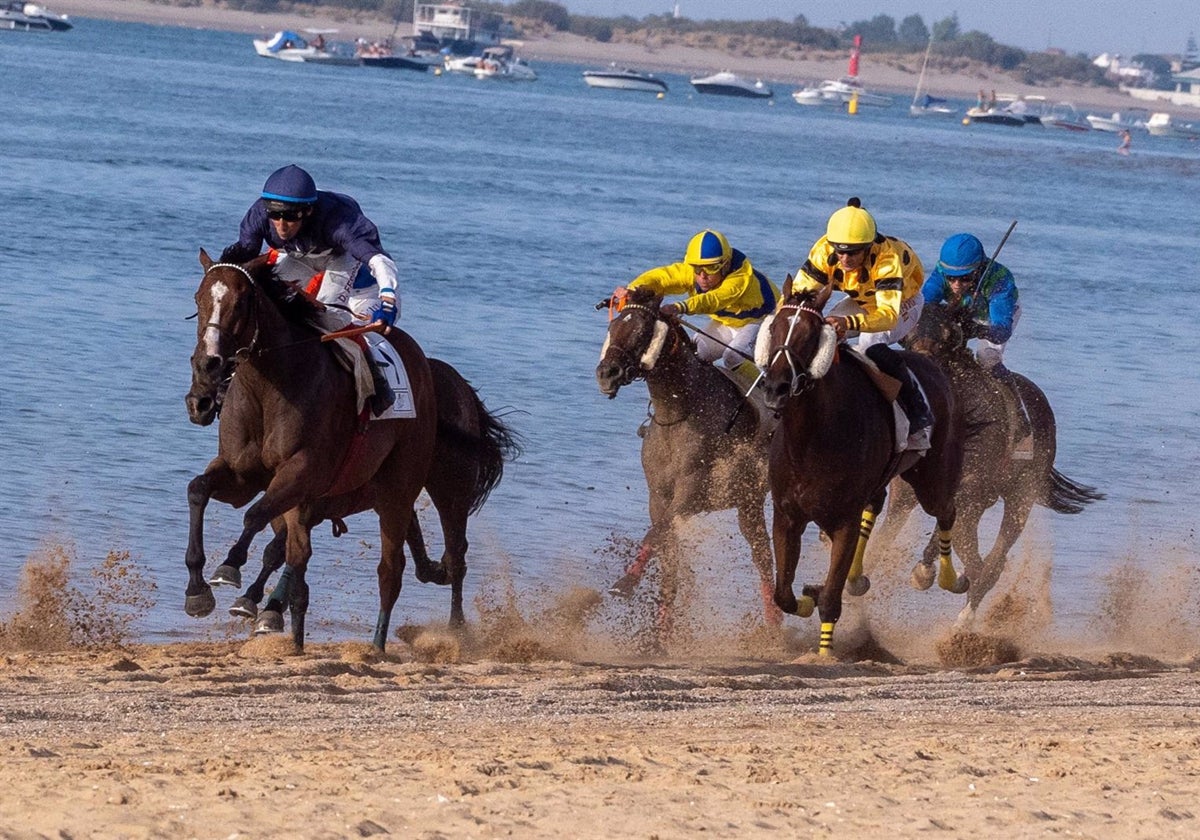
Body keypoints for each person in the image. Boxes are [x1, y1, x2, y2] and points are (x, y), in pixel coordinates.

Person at [227, 164, 401, 414]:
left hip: (347, 267)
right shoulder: (259, 215)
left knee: (327, 315)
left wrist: (388, 300)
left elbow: (378, 261)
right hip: (302, 257)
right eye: (275, 215)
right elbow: (244, 259)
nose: (281, 225)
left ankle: (376, 379)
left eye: (290, 216)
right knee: (262, 297)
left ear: (308, 211)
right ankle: (231, 373)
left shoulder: (339, 221)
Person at [791, 198, 933, 450]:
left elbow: (887, 316)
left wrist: (848, 322)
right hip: (862, 299)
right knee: (822, 331)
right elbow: (799, 293)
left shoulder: (887, 258)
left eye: (852, 252)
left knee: (870, 344)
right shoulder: (825, 249)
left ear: (867, 247)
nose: (844, 258)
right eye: (839, 250)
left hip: (902, 303)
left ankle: (918, 410)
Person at [921, 232, 1031, 455]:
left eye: (964, 279)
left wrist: (977, 329)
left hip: (995, 318)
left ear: (979, 270)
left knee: (987, 357)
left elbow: (1001, 330)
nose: (956, 285)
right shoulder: (942, 272)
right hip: (964, 314)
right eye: (951, 278)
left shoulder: (1000, 281)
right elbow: (924, 306)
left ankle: (1020, 422)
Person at [625, 229, 779, 373]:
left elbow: (714, 299)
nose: (702, 276)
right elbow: (662, 278)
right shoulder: (693, 273)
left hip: (761, 321)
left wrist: (681, 306)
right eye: (697, 268)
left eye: (710, 268)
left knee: (732, 357)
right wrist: (632, 290)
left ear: (725, 266)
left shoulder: (740, 278)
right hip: (727, 323)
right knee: (694, 354)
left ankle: (763, 393)